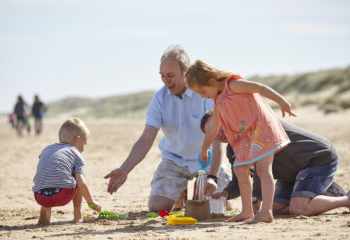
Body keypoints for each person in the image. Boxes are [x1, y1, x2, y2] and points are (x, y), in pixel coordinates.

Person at [104, 45, 230, 212]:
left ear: (185, 71)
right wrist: (124, 169)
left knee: (220, 207)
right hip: (174, 160)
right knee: (157, 207)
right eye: (162, 76)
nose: (165, 80)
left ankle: (197, 190)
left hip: (206, 161)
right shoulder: (159, 99)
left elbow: (217, 141)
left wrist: (213, 176)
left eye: (170, 75)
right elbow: (146, 138)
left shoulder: (205, 94)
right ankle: (180, 192)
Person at [185, 60, 296, 223]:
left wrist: (282, 102)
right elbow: (214, 126)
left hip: (261, 127)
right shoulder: (217, 100)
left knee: (263, 169)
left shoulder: (233, 85)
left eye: (202, 91)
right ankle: (247, 211)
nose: (203, 96)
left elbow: (259, 87)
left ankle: (266, 212)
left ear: (211, 81)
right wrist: (204, 149)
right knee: (240, 168)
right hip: (246, 135)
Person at [201, 111, 350, 217]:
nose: (218, 135)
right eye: (212, 134)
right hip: (290, 173)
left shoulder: (252, 128)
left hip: (318, 158)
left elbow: (261, 170)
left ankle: (345, 200)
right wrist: (225, 194)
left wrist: (255, 199)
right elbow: (239, 181)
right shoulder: (232, 150)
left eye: (218, 128)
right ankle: (320, 190)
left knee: (299, 208)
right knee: (276, 208)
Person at [32, 117, 101, 225]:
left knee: (51, 175)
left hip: (39, 195)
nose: (83, 149)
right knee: (77, 178)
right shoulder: (77, 154)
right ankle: (77, 215)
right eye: (84, 143)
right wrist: (91, 202)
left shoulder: (46, 149)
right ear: (77, 140)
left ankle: (46, 207)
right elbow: (82, 183)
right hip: (61, 195)